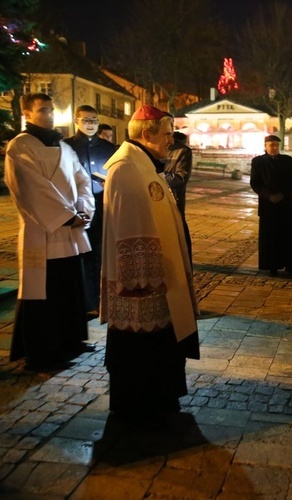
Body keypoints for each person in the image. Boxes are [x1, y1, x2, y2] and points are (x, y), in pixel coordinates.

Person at [100, 105, 199, 427]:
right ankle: (139, 405)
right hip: (141, 283)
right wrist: (140, 277)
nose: (171, 139)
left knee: (158, 345)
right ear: (147, 133)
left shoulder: (144, 165)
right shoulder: (127, 168)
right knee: (139, 348)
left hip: (158, 277)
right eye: (167, 132)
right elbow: (128, 227)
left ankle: (160, 398)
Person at [5, 93, 95, 370]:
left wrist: (84, 209)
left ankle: (70, 342)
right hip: (42, 232)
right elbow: (30, 188)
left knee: (69, 291)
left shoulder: (64, 146)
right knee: (43, 296)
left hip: (70, 233)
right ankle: (43, 353)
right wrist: (68, 216)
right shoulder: (20, 146)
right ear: (27, 114)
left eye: (51, 110)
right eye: (42, 110)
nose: (49, 115)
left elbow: (82, 179)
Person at [64, 105, 117, 318]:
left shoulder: (108, 147)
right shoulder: (66, 146)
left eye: (94, 120)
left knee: (99, 254)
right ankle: (82, 300)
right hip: (76, 206)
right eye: (86, 120)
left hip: (102, 205)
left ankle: (98, 299)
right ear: (76, 121)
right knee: (78, 255)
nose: (91, 124)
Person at [250, 134, 292, 277]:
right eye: (271, 145)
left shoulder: (287, 160)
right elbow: (255, 182)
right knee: (269, 236)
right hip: (267, 205)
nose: (274, 148)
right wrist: (268, 195)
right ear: (265, 146)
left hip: (284, 204)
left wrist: (282, 194)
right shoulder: (258, 161)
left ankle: (289, 265)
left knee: (287, 237)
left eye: (276, 145)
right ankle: (272, 265)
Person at [165, 131, 194, 263]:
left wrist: (156, 176)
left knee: (178, 231)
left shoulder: (182, 151)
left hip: (174, 199)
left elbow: (181, 177)